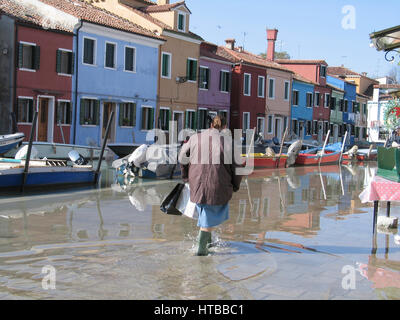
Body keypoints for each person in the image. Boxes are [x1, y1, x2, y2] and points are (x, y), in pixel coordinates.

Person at [178, 116, 242, 256]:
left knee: (205, 214)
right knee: (208, 218)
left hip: (196, 183)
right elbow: (237, 168)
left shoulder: (194, 138)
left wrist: (186, 177)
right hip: (218, 185)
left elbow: (182, 156)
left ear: (210, 125)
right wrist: (235, 185)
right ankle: (201, 252)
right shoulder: (228, 143)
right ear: (224, 127)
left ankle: (208, 244)